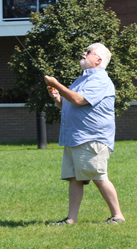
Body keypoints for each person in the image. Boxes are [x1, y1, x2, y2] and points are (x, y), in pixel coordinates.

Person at [44, 42, 125, 225]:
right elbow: (69, 104)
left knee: (98, 176)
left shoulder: (100, 80)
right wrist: (58, 98)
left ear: (98, 60)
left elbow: (79, 100)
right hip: (75, 138)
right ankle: (71, 219)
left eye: (88, 52)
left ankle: (118, 216)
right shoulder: (82, 80)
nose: (84, 53)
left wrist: (56, 83)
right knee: (74, 178)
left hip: (92, 138)